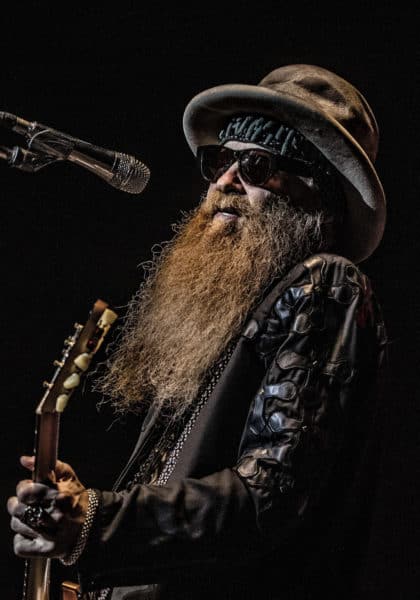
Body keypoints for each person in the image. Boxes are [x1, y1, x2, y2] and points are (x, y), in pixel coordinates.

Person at [8, 64, 388, 600]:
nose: (224, 183)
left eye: (254, 165)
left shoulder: (327, 283)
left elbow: (269, 496)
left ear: (316, 187)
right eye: (218, 161)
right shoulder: (225, 318)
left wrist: (98, 518)